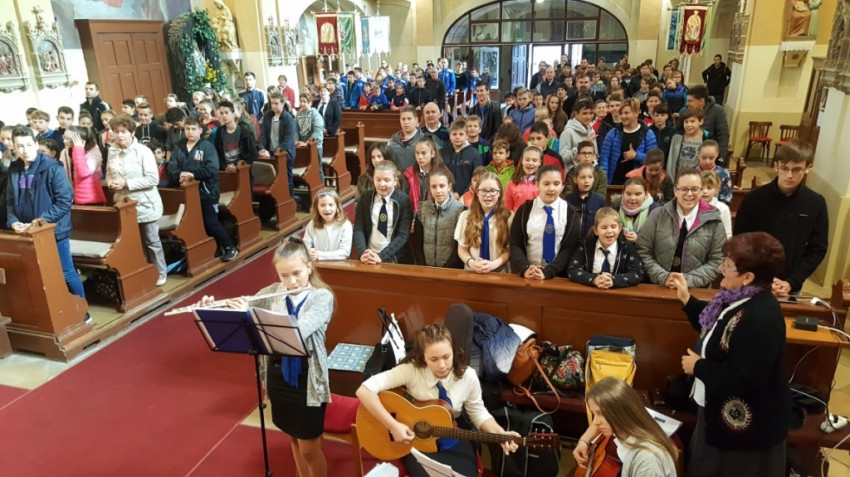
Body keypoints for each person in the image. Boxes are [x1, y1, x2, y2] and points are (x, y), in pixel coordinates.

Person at [200, 240, 334, 477]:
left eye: (297, 273)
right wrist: (211, 307)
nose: (291, 282)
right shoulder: (273, 292)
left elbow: (297, 331)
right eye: (284, 275)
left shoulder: (321, 297)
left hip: (308, 379)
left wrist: (252, 312)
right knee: (294, 439)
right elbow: (239, 309)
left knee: (309, 449)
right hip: (278, 374)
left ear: (309, 267)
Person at [670, 232, 789, 477]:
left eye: (728, 265)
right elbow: (717, 329)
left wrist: (698, 367)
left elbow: (746, 379)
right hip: (719, 413)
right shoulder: (738, 298)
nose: (721, 268)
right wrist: (687, 299)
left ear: (748, 277)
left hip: (743, 436)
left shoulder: (760, 318)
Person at [357, 324, 519, 476]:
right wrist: (392, 425)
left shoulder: (468, 376)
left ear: (453, 351)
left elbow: (478, 413)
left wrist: (500, 434)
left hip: (454, 438)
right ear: (423, 357)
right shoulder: (411, 370)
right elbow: (364, 390)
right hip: (417, 443)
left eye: (446, 357)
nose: (442, 365)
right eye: (433, 359)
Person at [6, 126, 89, 316]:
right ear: (14, 148)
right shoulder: (15, 169)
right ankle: (57, 313)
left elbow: (65, 201)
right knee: (40, 275)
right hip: (27, 232)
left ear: (36, 144)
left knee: (66, 272)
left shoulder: (52, 168)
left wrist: (40, 221)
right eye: (20, 146)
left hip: (53, 230)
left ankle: (82, 312)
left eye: (29, 145)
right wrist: (12, 221)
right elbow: (10, 200)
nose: (25, 150)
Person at [734, 140, 828, 296]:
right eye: (784, 168)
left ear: (808, 168)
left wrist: (792, 281)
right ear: (776, 166)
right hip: (753, 281)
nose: (789, 175)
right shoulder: (754, 199)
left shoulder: (816, 203)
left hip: (790, 285)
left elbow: (817, 249)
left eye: (796, 169)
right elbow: (741, 242)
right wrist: (758, 278)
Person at [105, 115, 168, 286]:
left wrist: (126, 183)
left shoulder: (143, 151)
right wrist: (110, 182)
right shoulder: (112, 150)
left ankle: (160, 271)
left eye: (123, 132)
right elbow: (109, 172)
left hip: (145, 202)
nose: (119, 135)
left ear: (132, 132)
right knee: (134, 241)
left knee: (151, 240)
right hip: (123, 203)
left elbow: (153, 179)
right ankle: (143, 271)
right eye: (116, 132)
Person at [637, 169, 726, 288]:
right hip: (658, 287)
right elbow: (643, 250)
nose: (689, 194)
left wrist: (687, 280)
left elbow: (718, 260)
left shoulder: (714, 220)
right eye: (684, 189)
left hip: (695, 290)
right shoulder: (658, 215)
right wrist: (663, 277)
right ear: (675, 191)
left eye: (694, 189)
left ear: (701, 191)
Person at [573, 376, 677, 476]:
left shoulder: (647, 462)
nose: (595, 422)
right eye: (594, 414)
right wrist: (583, 442)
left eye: (600, 413)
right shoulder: (632, 422)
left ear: (621, 412)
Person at [168, 117, 239, 262]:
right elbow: (172, 165)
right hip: (186, 192)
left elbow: (212, 168)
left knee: (210, 223)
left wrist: (192, 174)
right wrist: (179, 175)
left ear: (200, 130)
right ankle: (213, 247)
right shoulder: (179, 146)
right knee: (194, 224)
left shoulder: (207, 147)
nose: (190, 132)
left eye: (193, 129)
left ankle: (229, 246)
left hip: (207, 191)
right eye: (187, 129)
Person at [509, 164, 581, 280]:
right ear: (537, 184)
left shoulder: (572, 214)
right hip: (529, 274)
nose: (551, 189)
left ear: (562, 185)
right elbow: (515, 244)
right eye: (546, 184)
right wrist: (525, 268)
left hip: (558, 277)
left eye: (556, 184)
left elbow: (569, 249)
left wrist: (548, 272)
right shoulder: (524, 210)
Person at [353, 160, 414, 264]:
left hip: (394, 258)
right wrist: (363, 253)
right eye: (378, 180)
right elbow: (359, 228)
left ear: (395, 181)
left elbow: (402, 235)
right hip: (370, 256)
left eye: (387, 180)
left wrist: (381, 256)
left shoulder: (404, 201)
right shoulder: (365, 199)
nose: (382, 184)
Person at [567, 207, 644, 288]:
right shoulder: (585, 245)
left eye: (613, 227)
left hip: (617, 292)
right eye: (604, 228)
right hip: (590, 290)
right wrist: (594, 279)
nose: (609, 231)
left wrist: (613, 280)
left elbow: (637, 273)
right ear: (596, 230)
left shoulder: (627, 247)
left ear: (619, 228)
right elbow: (572, 269)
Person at [455, 171, 512, 274]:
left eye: (493, 191)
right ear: (477, 193)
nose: (488, 195)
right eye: (483, 191)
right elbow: (462, 249)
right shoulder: (466, 217)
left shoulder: (509, 217)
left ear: (499, 193)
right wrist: (472, 263)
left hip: (500, 273)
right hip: (472, 272)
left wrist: (493, 264)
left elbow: (510, 250)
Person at [600, 98, 657, 185]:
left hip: (638, 184)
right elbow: (604, 158)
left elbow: (653, 160)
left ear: (636, 113)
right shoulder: (613, 133)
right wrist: (605, 182)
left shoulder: (648, 134)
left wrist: (636, 156)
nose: (623, 116)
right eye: (621, 113)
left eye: (626, 113)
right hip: (615, 183)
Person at [418, 168, 464, 268]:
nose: (438, 191)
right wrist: (423, 266)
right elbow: (418, 242)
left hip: (451, 269)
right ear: (430, 188)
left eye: (442, 186)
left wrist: (447, 268)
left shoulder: (459, 210)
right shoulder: (423, 209)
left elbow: (459, 245)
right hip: (426, 268)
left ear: (449, 187)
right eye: (434, 187)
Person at [259, 91, 297, 198]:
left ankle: (291, 201)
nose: (274, 106)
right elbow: (263, 135)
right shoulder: (268, 116)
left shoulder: (288, 119)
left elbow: (287, 142)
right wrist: (262, 148)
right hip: (270, 154)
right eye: (272, 103)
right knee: (272, 182)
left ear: (282, 104)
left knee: (287, 180)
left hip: (285, 154)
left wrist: (271, 153)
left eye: (276, 103)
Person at [302, 188, 352, 261]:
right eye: (322, 205)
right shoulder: (312, 224)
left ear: (337, 206)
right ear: (317, 207)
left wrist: (320, 255)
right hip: (317, 265)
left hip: (340, 265)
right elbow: (305, 245)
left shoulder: (345, 225)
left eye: (331, 205)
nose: (327, 209)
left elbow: (345, 252)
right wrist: (308, 252)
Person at [60, 126, 106, 205]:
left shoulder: (93, 151)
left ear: (81, 141)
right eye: (64, 137)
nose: (64, 141)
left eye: (69, 139)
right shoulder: (66, 151)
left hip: (90, 199)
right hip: (73, 197)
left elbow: (83, 173)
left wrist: (78, 149)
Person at [687, 85, 730, 166]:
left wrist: (720, 158)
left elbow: (723, 136)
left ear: (701, 101)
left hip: (709, 156)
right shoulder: (687, 111)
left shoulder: (718, 111)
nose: (687, 104)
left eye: (690, 101)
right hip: (691, 154)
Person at [404, 135, 446, 213]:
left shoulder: (441, 175)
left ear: (433, 153)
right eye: (417, 153)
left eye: (423, 153)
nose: (420, 157)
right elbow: (405, 200)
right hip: (413, 216)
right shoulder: (409, 174)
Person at [440, 118, 482, 196]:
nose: (457, 137)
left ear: (466, 136)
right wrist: (449, 193)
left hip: (468, 196)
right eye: (454, 134)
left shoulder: (474, 154)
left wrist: (463, 194)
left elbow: (477, 177)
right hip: (445, 195)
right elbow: (439, 175)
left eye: (461, 134)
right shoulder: (442, 153)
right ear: (450, 136)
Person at [214, 100, 258, 172]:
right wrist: (225, 167)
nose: (224, 116)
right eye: (221, 113)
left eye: (226, 113)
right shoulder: (219, 131)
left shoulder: (244, 131)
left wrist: (239, 167)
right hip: (226, 170)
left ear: (233, 114)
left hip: (242, 170)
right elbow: (218, 153)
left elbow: (253, 154)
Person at [614, 177, 661, 244]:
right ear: (623, 193)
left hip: (646, 249)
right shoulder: (615, 208)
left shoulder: (656, 210)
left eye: (637, 194)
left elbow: (659, 238)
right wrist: (620, 233)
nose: (632, 198)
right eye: (628, 194)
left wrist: (639, 240)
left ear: (646, 194)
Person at [565, 163, 607, 237]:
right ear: (575, 179)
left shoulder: (600, 200)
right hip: (573, 241)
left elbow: (603, 223)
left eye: (590, 177)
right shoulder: (568, 200)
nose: (586, 181)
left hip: (592, 240)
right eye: (582, 178)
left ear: (594, 179)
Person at [666, 108, 707, 179]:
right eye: (686, 122)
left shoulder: (706, 138)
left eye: (692, 121)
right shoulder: (676, 137)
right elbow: (670, 160)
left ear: (701, 121)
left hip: (697, 178)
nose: (689, 125)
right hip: (679, 178)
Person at [559, 98, 597, 171]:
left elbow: (595, 156)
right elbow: (563, 159)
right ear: (576, 114)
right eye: (584, 113)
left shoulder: (591, 131)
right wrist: (581, 146)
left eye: (591, 113)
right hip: (572, 174)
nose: (588, 117)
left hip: (589, 173)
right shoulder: (567, 133)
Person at [504, 146, 543, 212]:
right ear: (522, 160)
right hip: (516, 218)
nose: (530, 163)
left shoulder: (543, 184)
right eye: (527, 160)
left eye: (534, 160)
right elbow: (507, 209)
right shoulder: (512, 184)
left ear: (539, 162)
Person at [388, 106, 425, 172]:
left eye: (409, 119)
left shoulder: (424, 140)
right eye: (403, 119)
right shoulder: (393, 141)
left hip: (417, 177)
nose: (406, 122)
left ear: (416, 120)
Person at [695, 140, 731, 205]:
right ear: (698, 154)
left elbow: (727, 197)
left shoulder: (723, 173)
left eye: (711, 158)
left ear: (717, 155)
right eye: (704, 158)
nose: (707, 162)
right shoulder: (692, 172)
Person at [700, 171, 732, 239]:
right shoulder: (691, 207)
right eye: (701, 188)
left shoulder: (723, 209)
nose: (705, 191)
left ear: (717, 190)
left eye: (709, 188)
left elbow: (727, 234)